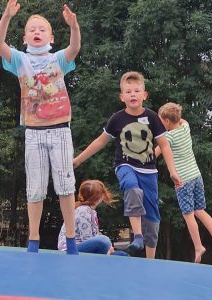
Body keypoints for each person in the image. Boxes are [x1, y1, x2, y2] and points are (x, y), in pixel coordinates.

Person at [0, 0, 81, 254]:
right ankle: (33, 241)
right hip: (33, 133)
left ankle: (72, 240)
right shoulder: (20, 60)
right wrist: (7, 16)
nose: (37, 32)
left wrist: (73, 26)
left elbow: (74, 49)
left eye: (42, 29)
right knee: (35, 189)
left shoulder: (58, 59)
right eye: (32, 29)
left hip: (61, 130)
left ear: (51, 36)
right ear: (25, 37)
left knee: (65, 186)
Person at [73, 71, 182, 259]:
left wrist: (173, 172)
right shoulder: (117, 118)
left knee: (153, 219)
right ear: (122, 97)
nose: (133, 94)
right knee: (131, 187)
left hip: (149, 171)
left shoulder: (153, 118)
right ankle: (137, 236)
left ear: (144, 95)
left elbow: (164, 145)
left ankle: (150, 261)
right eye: (128, 91)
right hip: (125, 165)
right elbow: (100, 142)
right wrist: (78, 159)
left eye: (137, 91)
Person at [156, 102, 212, 263]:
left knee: (188, 214)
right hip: (196, 176)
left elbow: (154, 154)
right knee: (200, 210)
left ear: (166, 121)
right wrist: (174, 115)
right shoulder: (185, 127)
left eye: (160, 121)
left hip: (183, 180)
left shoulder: (168, 137)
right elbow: (181, 120)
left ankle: (199, 246)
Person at [58, 179, 128, 256]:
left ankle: (105, 258)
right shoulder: (83, 211)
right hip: (70, 248)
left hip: (83, 246)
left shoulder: (91, 211)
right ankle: (104, 258)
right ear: (99, 196)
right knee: (103, 241)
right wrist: (107, 248)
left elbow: (94, 235)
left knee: (122, 255)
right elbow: (86, 238)